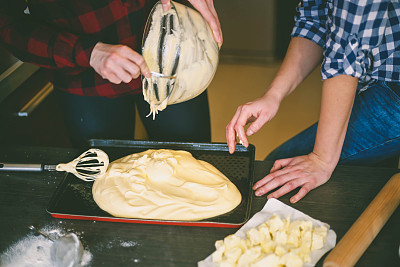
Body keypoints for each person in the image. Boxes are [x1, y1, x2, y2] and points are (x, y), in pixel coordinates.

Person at [226, 0, 400, 203]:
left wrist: (322, 159)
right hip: (380, 75)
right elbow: (314, 22)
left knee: (282, 165)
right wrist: (273, 96)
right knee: (373, 181)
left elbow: (346, 55)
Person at [0, 0, 222, 148]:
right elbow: (8, 26)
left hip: (177, 59)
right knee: (103, 174)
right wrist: (88, 53)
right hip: (85, 79)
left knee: (191, 163)